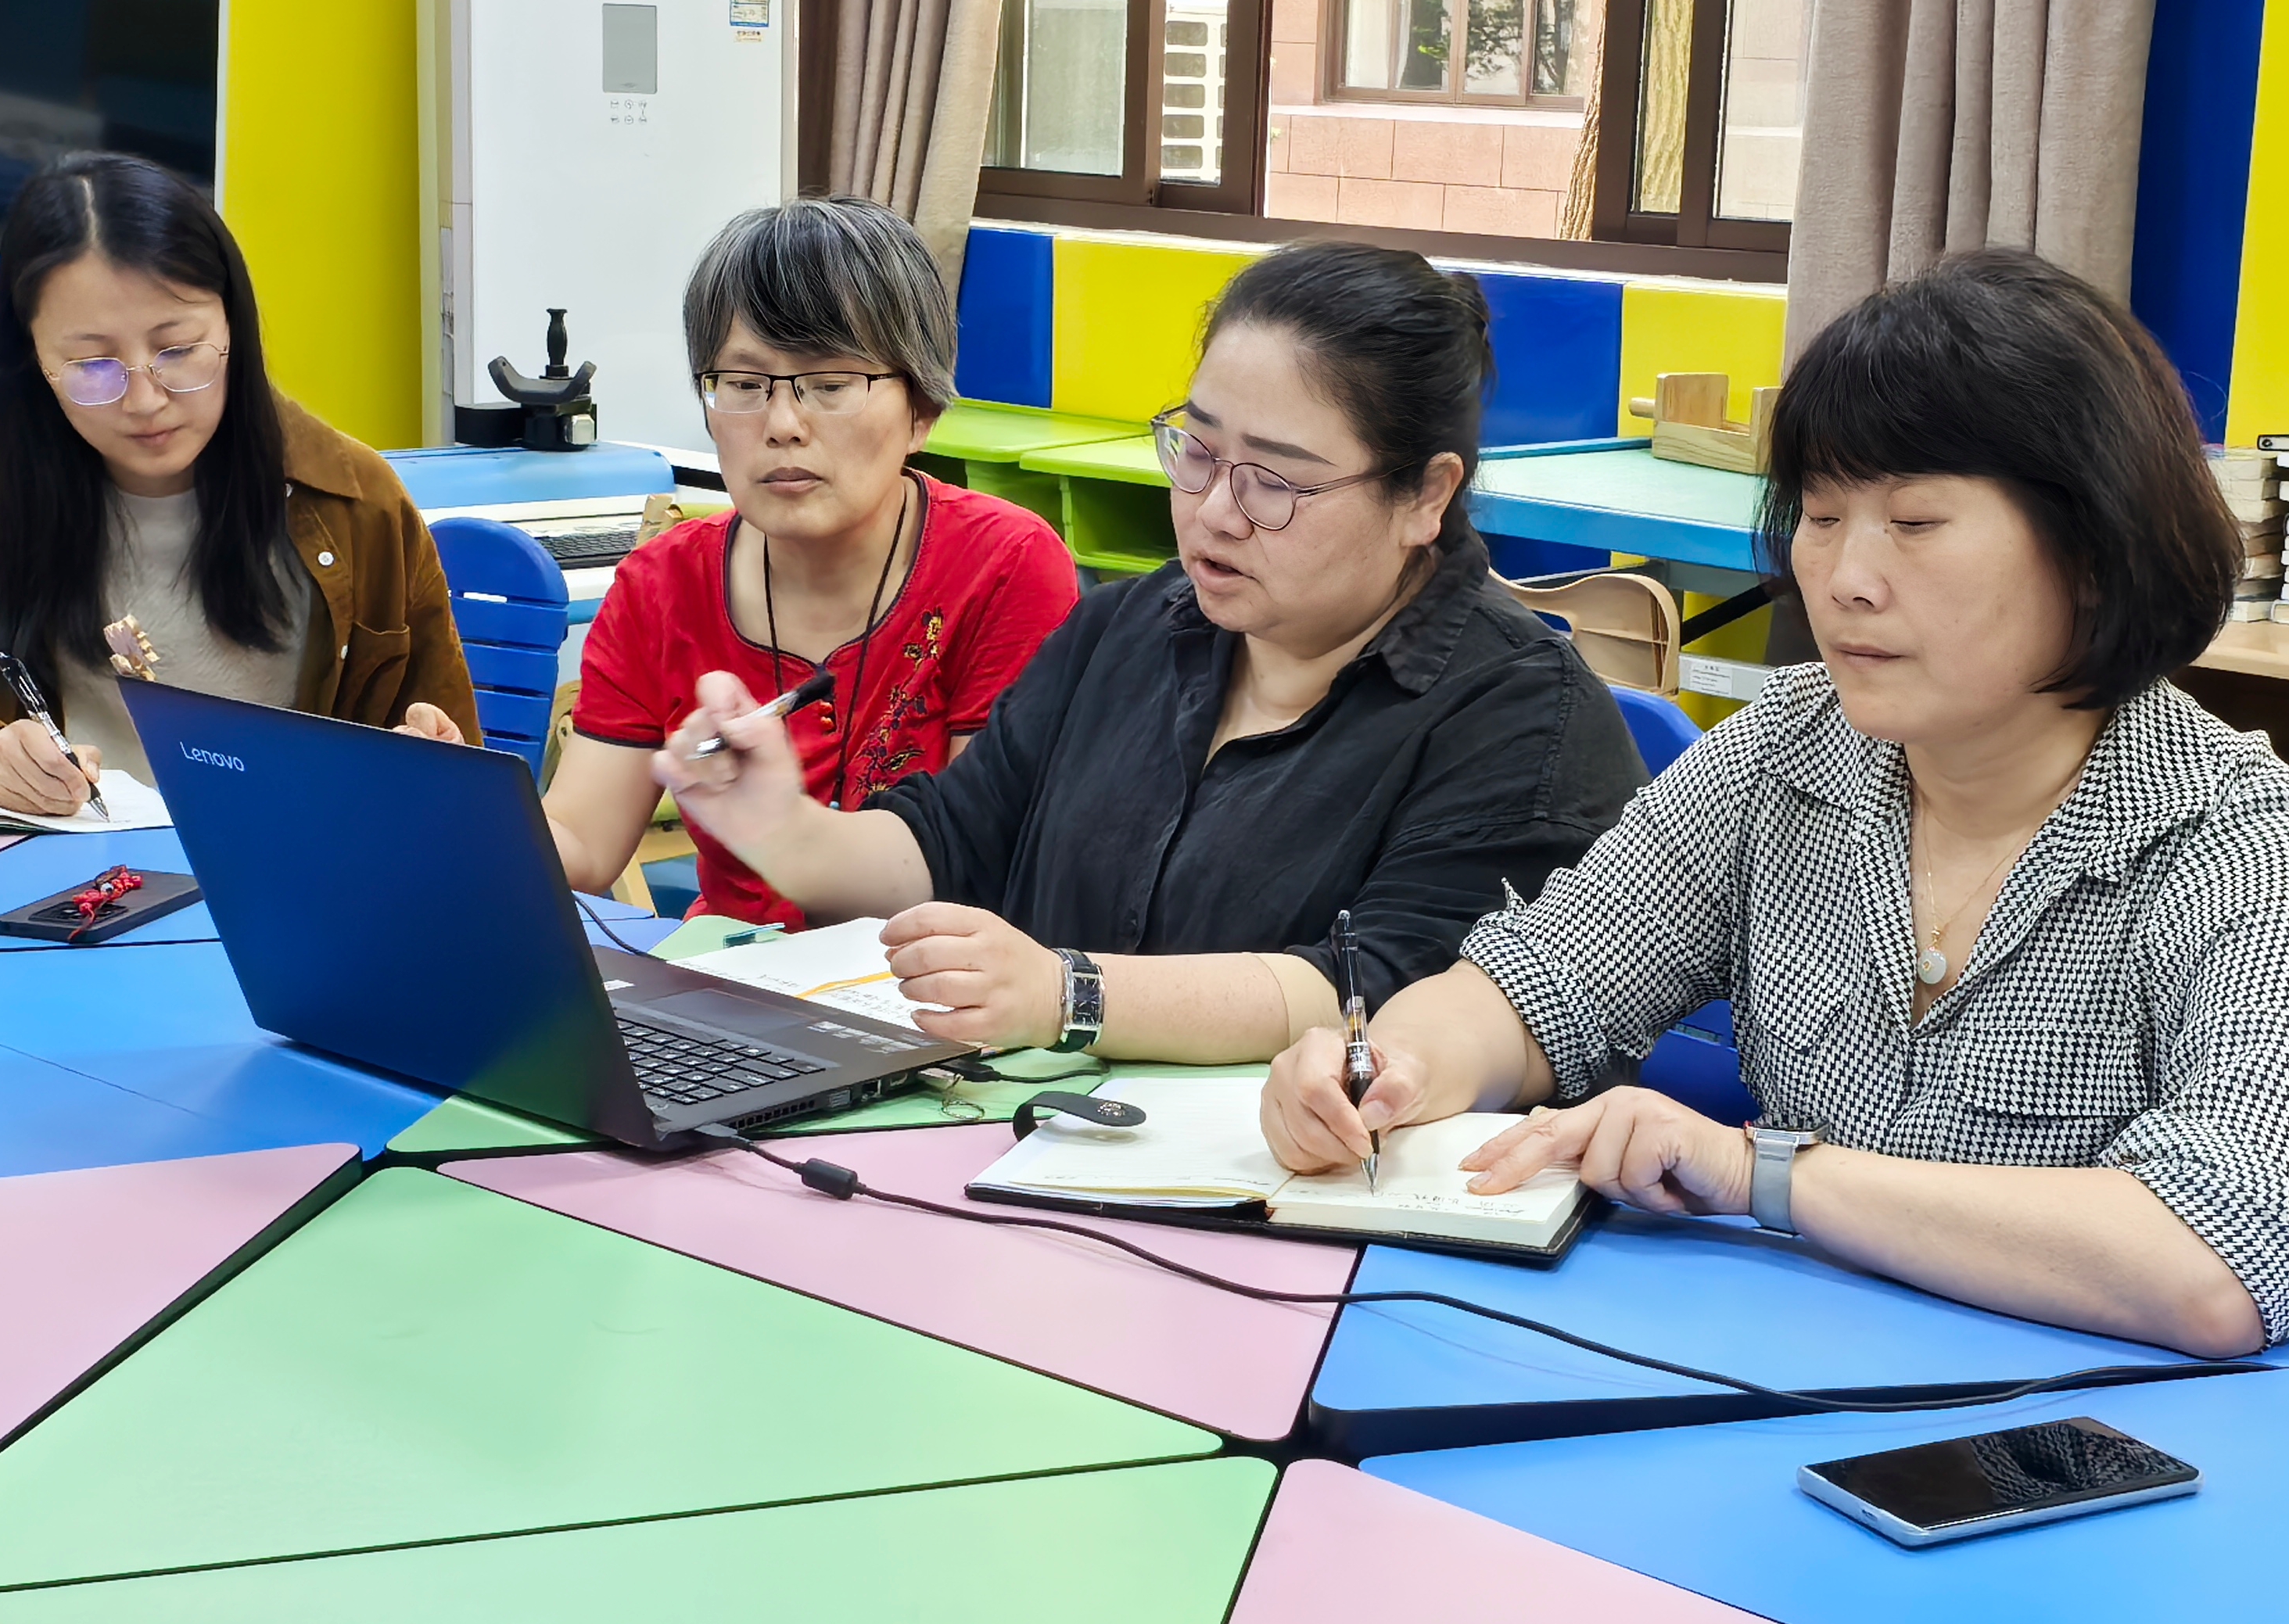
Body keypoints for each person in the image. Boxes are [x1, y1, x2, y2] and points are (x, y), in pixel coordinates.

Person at [1262, 249, 2289, 1359]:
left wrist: (1764, 1175)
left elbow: (2217, 1263)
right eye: (1821, 515)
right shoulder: (1787, 753)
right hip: (1826, 1390)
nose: (1846, 579)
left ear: (2094, 546)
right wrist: (1387, 1068)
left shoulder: (2262, 849)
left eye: (1916, 523)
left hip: (2142, 1440)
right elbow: (1544, 983)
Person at [658, 240, 1642, 1063]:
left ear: (1425, 496)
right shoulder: (1130, 627)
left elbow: (1389, 994)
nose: (1214, 511)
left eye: (1275, 483)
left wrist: (1070, 995)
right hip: (1033, 1147)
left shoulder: (1522, 719)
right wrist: (784, 829)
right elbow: (953, 843)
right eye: (1198, 452)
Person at [0, 152, 475, 808]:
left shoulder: (352, 498)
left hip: (284, 887)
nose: (144, 400)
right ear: (34, 360)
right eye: (92, 365)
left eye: (178, 350)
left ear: (233, 329)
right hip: (46, 894)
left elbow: (459, 777)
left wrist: (428, 766)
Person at [543, 198, 1079, 919]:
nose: (783, 425)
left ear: (921, 409)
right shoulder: (661, 583)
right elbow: (582, 842)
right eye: (744, 385)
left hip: (923, 976)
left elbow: (983, 864)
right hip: (727, 976)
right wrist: (462, 816)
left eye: (830, 386)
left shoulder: (1004, 564)